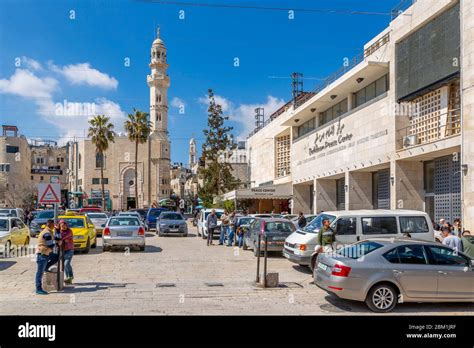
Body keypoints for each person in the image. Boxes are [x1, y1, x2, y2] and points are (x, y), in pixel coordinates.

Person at [35, 219, 55, 295]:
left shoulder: (48, 231)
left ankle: (46, 267)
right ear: (50, 224)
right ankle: (38, 289)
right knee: (40, 273)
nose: (53, 226)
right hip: (42, 254)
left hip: (45, 253)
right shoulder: (47, 233)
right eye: (53, 225)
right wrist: (56, 244)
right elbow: (50, 244)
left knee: (55, 257)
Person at [59, 220, 74, 285]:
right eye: (62, 226)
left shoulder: (69, 231)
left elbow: (63, 238)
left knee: (66, 263)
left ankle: (70, 276)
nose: (63, 227)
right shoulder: (59, 231)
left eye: (64, 225)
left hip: (69, 249)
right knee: (64, 265)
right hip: (62, 250)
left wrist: (60, 239)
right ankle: (68, 278)